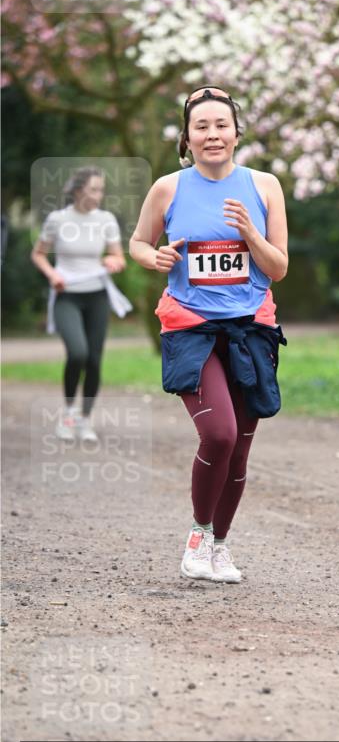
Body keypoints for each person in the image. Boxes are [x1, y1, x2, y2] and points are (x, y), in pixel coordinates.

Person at [129, 86, 288, 584]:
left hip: (250, 329)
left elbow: (278, 267)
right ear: (187, 137)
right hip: (191, 327)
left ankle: (220, 546)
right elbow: (138, 243)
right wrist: (154, 257)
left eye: (222, 125)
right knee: (218, 433)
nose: (212, 134)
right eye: (202, 126)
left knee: (239, 449)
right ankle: (198, 538)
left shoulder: (265, 186)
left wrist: (251, 234)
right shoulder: (168, 188)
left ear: (237, 134)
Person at [31, 166, 129, 443]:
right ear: (77, 190)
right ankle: (68, 415)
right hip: (67, 296)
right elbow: (38, 254)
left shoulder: (106, 220)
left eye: (101, 190)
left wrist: (113, 261)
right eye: (93, 189)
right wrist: (52, 274)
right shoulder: (58, 219)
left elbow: (118, 258)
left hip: (97, 296)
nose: (99, 195)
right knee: (77, 353)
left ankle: (85, 420)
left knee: (94, 360)